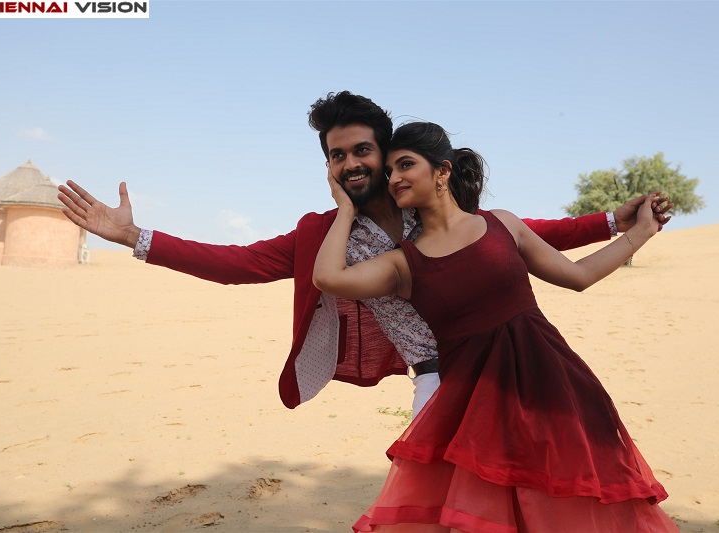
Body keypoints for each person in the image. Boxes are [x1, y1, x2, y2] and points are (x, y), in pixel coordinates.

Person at [57, 91, 672, 416]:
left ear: (387, 153)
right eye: (336, 155)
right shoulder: (324, 236)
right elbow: (237, 264)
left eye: (361, 151)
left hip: (512, 367)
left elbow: (520, 236)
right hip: (436, 382)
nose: (350, 163)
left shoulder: (433, 205)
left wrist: (609, 222)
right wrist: (134, 238)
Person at [312, 121, 679, 532]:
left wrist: (642, 231)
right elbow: (328, 277)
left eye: (406, 165)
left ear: (442, 171)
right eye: (391, 170)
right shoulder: (404, 263)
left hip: (552, 385)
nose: (394, 178)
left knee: (560, 511)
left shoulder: (502, 224)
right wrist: (345, 209)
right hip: (474, 407)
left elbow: (579, 276)